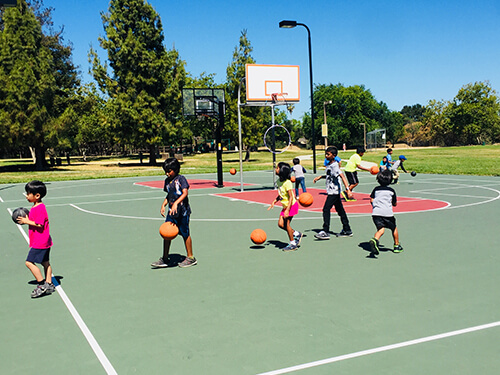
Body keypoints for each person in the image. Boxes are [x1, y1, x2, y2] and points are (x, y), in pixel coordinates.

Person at [151, 158, 197, 268]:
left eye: (169, 171)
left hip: (183, 212)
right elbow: (169, 195)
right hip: (172, 212)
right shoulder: (167, 181)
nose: (167, 173)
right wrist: (164, 204)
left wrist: (176, 203)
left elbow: (185, 193)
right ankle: (165, 258)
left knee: (185, 233)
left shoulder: (181, 179)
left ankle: (191, 257)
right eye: (165, 171)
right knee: (166, 233)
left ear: (176, 170)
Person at [17, 180, 56, 298]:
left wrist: (26, 221)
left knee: (28, 262)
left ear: (37, 196)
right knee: (45, 263)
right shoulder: (36, 207)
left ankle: (42, 284)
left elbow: (39, 224)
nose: (26, 195)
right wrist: (28, 218)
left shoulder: (39, 208)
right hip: (44, 240)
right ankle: (49, 283)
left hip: (40, 241)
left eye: (28, 193)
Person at [313, 146, 353, 240]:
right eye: (326, 154)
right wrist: (320, 177)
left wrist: (348, 189)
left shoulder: (335, 165)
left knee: (326, 209)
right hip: (333, 191)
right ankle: (347, 229)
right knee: (340, 211)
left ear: (334, 155)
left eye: (328, 154)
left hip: (333, 192)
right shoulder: (330, 165)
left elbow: (342, 176)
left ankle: (326, 231)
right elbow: (329, 175)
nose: (326, 156)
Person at [268, 162, 303, 251]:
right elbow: (281, 195)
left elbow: (291, 197)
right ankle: (296, 233)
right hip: (285, 206)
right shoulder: (279, 181)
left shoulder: (288, 183)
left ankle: (293, 244)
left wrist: (287, 210)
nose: (276, 169)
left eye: (277, 168)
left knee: (287, 225)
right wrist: (274, 201)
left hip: (291, 206)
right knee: (280, 224)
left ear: (281, 171)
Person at [369, 169, 403, 255]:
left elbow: (371, 199)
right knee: (393, 228)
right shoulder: (391, 191)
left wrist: (374, 204)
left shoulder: (376, 189)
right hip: (387, 213)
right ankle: (396, 245)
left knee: (381, 230)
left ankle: (375, 239)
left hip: (376, 213)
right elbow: (394, 203)